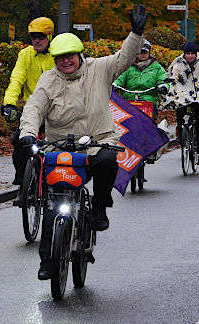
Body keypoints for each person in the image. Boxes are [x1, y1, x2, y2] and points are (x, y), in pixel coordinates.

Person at [19, 5, 148, 280]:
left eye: (70, 56)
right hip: (60, 148)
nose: (66, 61)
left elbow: (124, 57)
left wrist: (136, 33)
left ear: (80, 55)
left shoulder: (99, 69)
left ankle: (100, 205)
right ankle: (47, 261)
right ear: (54, 59)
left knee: (107, 160)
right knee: (53, 205)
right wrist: (28, 134)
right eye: (60, 58)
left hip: (98, 142)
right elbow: (33, 108)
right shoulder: (48, 80)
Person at [2, 17, 55, 206]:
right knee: (19, 141)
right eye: (33, 37)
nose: (37, 41)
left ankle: (60, 187)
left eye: (41, 37)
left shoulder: (58, 54)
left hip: (57, 110)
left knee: (60, 145)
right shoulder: (25, 55)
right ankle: (23, 184)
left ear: (49, 37)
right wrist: (9, 103)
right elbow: (16, 79)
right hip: (33, 110)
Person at [165, 42, 199, 164]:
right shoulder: (177, 63)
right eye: (188, 53)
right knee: (180, 114)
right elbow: (172, 76)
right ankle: (182, 135)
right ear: (184, 54)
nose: (190, 56)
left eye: (192, 54)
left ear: (196, 54)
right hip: (184, 95)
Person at [113, 39, 169, 121]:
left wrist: (163, 86)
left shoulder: (157, 68)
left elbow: (163, 79)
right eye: (140, 52)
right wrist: (115, 85)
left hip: (148, 101)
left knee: (149, 122)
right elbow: (120, 78)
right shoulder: (128, 66)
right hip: (129, 101)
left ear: (149, 52)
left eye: (145, 52)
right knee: (123, 122)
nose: (142, 54)